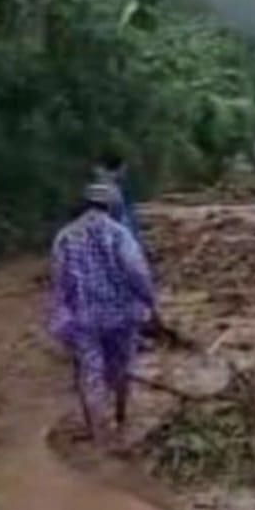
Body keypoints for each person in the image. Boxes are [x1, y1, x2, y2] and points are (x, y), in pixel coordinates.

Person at [47, 182, 156, 446]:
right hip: (121, 315)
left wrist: (62, 315)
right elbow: (137, 272)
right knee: (122, 367)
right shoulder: (119, 234)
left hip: (83, 318)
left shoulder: (65, 236)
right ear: (112, 205)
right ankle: (121, 419)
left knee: (90, 371)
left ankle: (96, 432)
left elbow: (59, 279)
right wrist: (151, 302)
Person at [93, 153, 141, 246]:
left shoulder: (110, 186)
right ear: (118, 169)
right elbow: (120, 220)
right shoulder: (110, 191)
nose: (125, 173)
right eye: (123, 169)